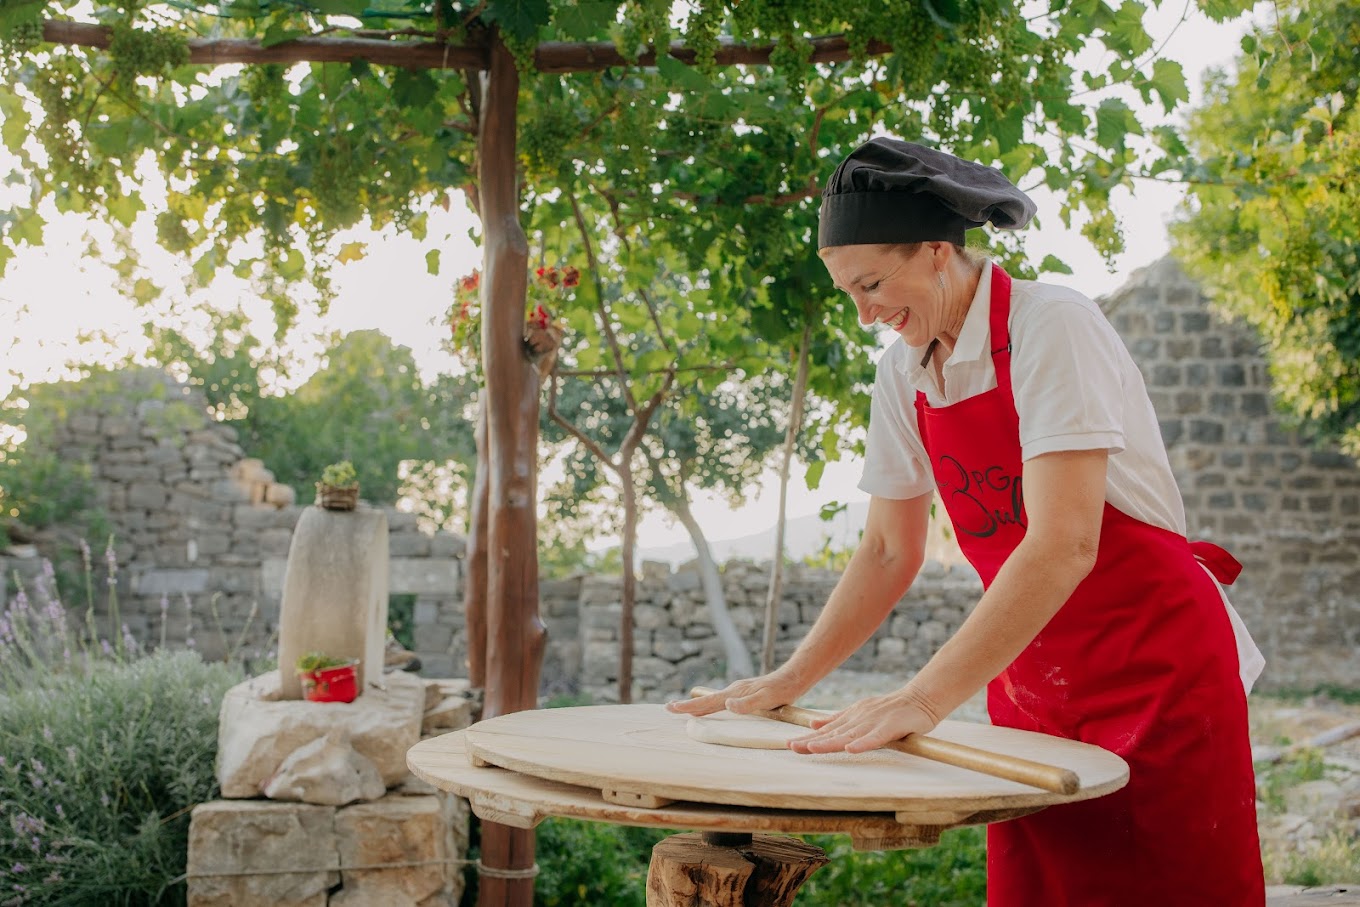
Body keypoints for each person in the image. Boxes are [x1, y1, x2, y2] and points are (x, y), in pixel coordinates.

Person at [668, 136, 1266, 905]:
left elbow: (1064, 543)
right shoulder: (902, 372)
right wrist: (789, 679)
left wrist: (920, 699)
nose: (865, 313)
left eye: (872, 284)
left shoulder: (1053, 326)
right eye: (848, 293)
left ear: (936, 251)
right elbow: (888, 549)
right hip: (1031, 688)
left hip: (1158, 673)